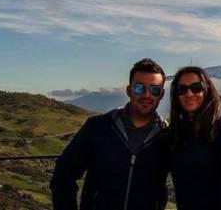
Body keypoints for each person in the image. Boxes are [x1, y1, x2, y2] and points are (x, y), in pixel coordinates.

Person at [50, 58, 169, 210]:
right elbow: (63, 174)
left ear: (162, 94)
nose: (147, 94)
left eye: (154, 90)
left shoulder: (167, 136)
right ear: (129, 90)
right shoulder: (98, 127)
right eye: (139, 88)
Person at [169, 66, 221, 210]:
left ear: (207, 90)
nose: (189, 93)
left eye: (196, 88)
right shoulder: (178, 131)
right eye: (182, 89)